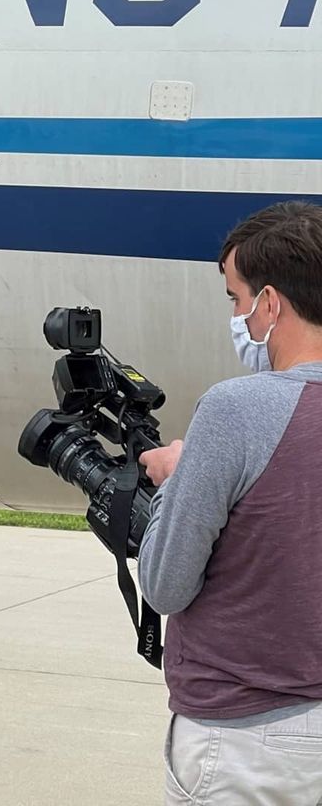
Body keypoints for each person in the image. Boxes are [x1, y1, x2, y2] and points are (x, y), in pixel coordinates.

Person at [137, 201, 322, 805]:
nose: (238, 315)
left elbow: (166, 587)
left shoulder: (235, 408)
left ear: (270, 304)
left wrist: (176, 478)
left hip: (248, 744)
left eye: (235, 298)